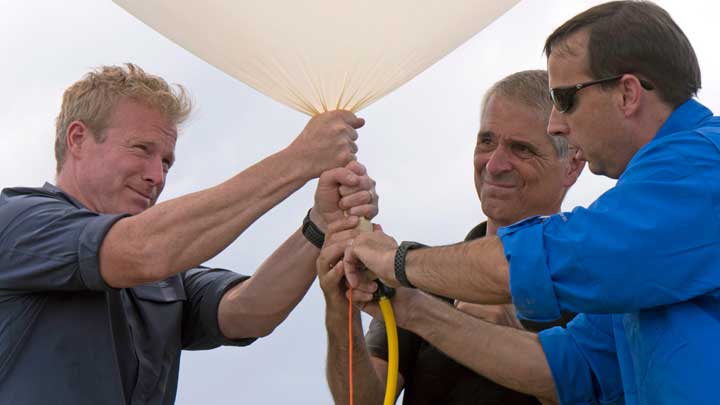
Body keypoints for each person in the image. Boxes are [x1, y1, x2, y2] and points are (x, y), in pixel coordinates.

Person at [343, 1, 720, 404]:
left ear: (627, 93)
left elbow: (551, 256)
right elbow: (569, 367)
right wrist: (412, 308)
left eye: (565, 98)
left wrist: (396, 260)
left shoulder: (703, 167)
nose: (557, 123)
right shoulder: (647, 229)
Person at [0, 63, 378, 405]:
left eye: (165, 160)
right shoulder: (19, 222)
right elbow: (143, 250)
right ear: (78, 139)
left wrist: (319, 225)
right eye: (141, 149)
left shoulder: (163, 272)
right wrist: (298, 160)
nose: (157, 176)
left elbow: (249, 312)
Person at [318, 70, 584, 405]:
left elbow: (595, 385)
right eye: (486, 141)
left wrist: (511, 337)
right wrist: (340, 309)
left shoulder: (596, 284)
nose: (495, 164)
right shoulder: (418, 275)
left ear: (573, 164)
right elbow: (361, 401)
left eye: (521, 149)